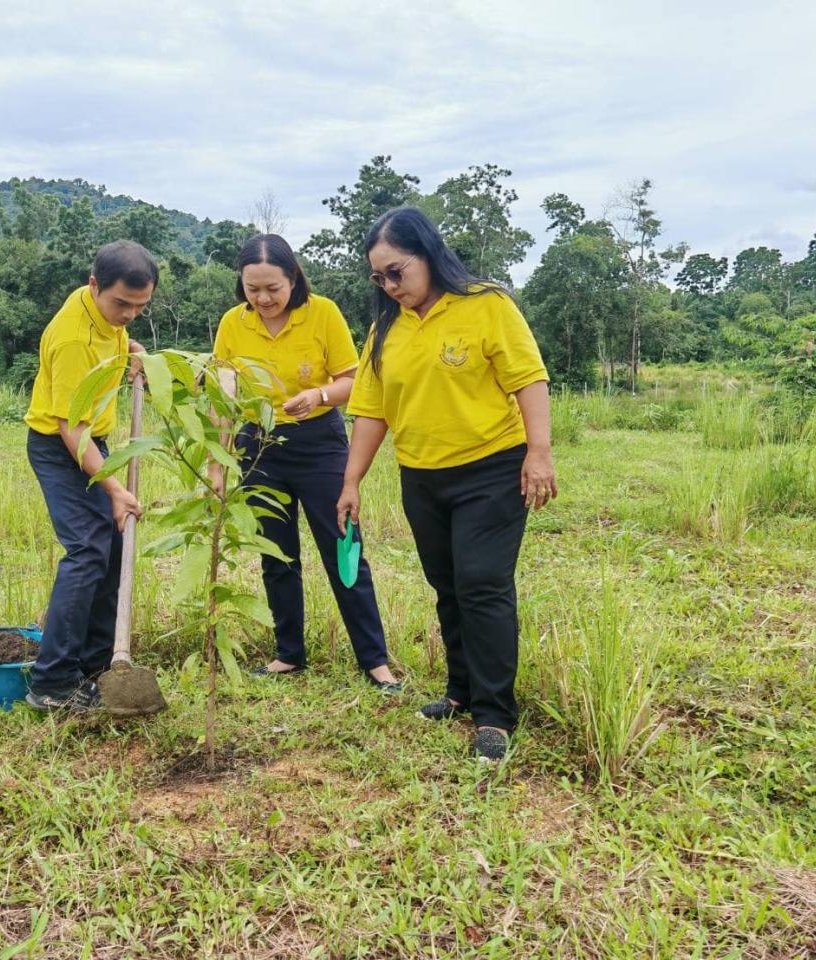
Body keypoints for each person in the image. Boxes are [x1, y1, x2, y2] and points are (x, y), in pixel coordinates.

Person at [336, 207, 557, 762]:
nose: (389, 286)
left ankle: (495, 714)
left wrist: (539, 452)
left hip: (490, 468)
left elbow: (528, 377)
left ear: (428, 254)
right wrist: (351, 481)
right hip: (422, 475)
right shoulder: (384, 328)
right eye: (378, 278)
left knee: (483, 583)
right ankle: (461, 692)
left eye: (396, 272)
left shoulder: (486, 304)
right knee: (448, 583)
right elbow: (371, 410)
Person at [210, 234, 402, 691]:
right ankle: (288, 654)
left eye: (273, 288)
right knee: (277, 555)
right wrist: (218, 465)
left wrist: (317, 394)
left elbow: (354, 382)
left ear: (293, 278)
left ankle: (375, 660)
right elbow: (223, 396)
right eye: (252, 289)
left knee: (343, 544)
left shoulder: (323, 313)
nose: (263, 299)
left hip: (318, 442)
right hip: (257, 444)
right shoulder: (233, 324)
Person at [22, 240, 154, 712]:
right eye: (122, 304)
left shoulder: (105, 316)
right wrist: (115, 487)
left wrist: (133, 349)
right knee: (87, 551)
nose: (129, 314)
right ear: (94, 285)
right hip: (63, 448)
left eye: (140, 307)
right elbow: (68, 427)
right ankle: (52, 682)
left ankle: (98, 665)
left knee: (113, 548)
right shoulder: (73, 336)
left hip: (93, 444)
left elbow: (118, 338)